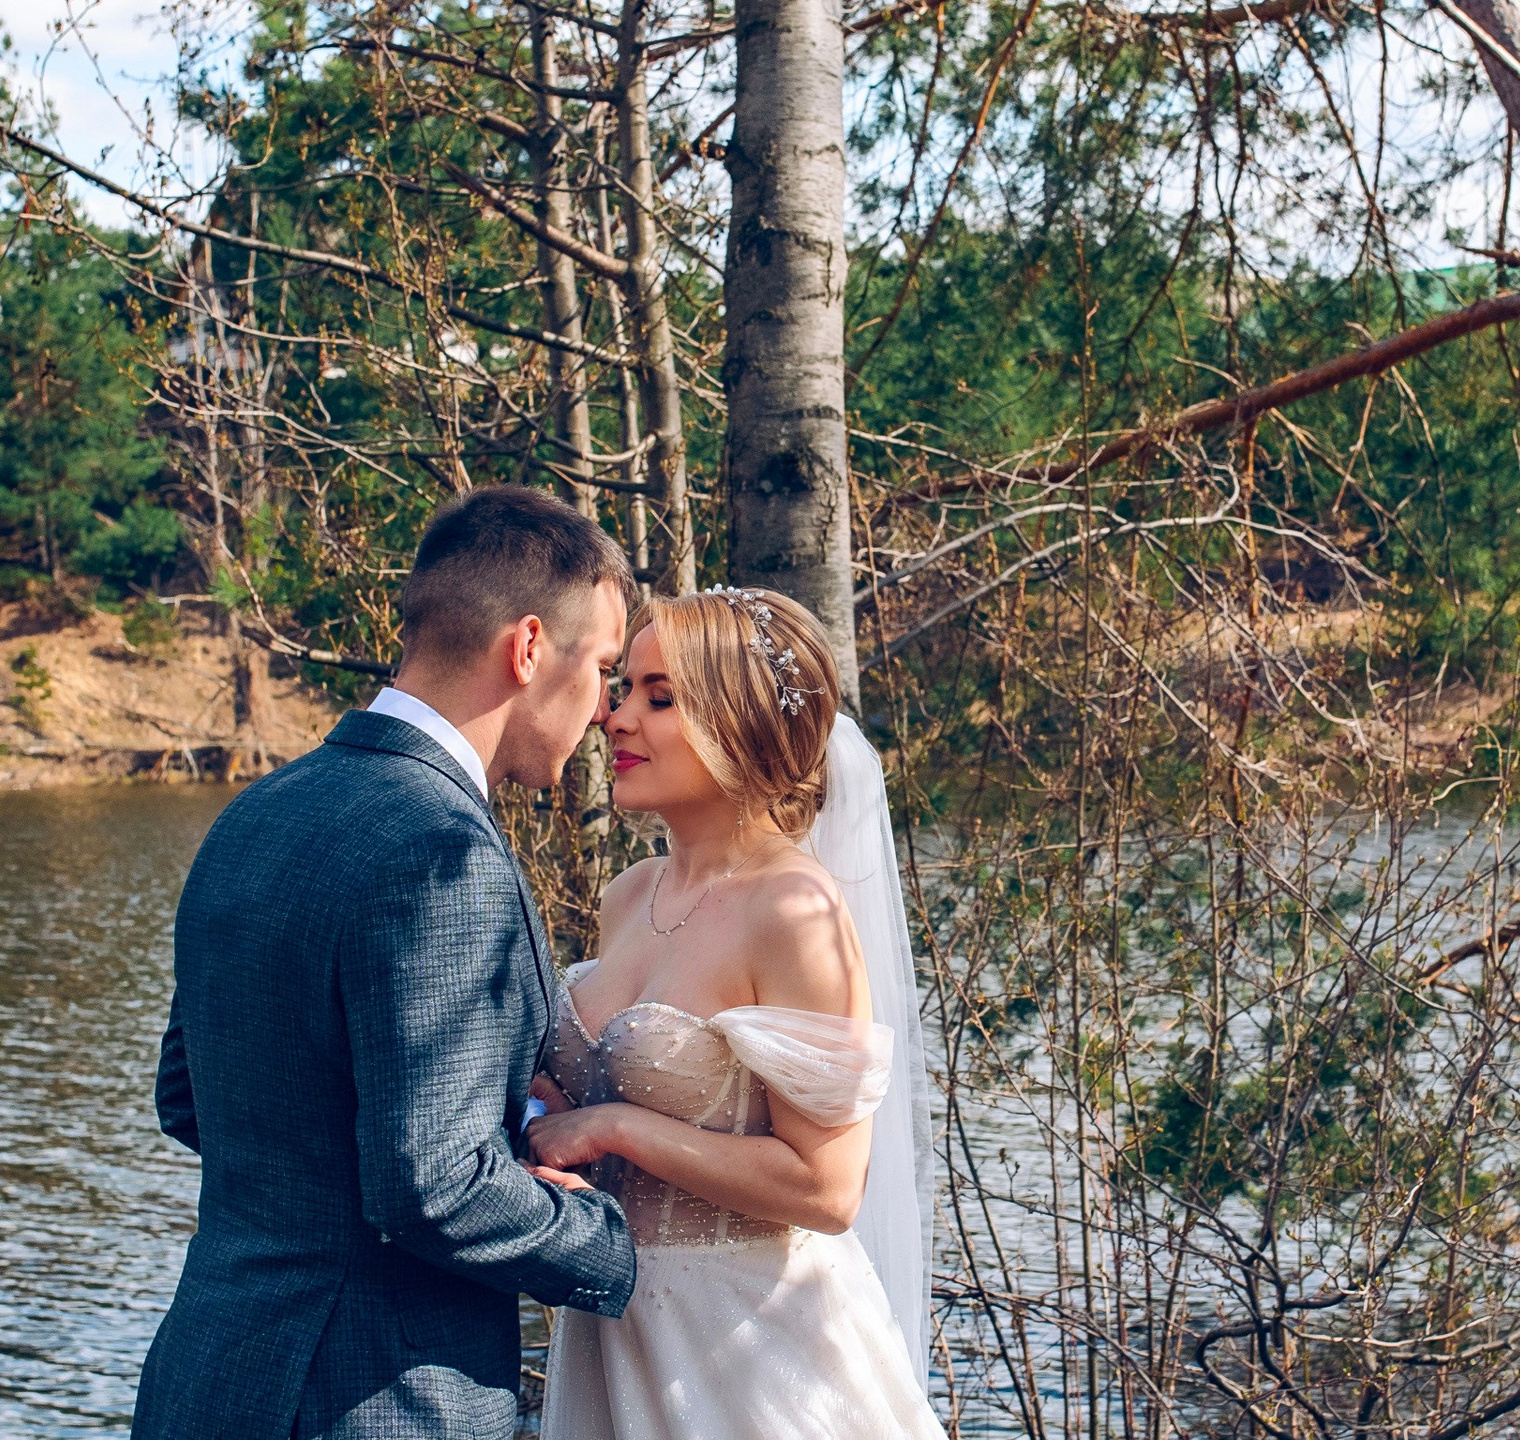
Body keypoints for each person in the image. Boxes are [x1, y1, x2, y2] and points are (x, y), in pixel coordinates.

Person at [135, 486, 641, 1440]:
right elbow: (433, 1187)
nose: (604, 708)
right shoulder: (441, 853)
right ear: (529, 650)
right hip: (369, 1401)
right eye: (604, 667)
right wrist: (609, 1241)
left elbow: (188, 1096)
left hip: (206, 1379)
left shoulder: (255, 815)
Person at [526, 586, 942, 1440]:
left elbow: (827, 1190)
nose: (616, 718)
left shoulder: (794, 911)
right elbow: (578, 1093)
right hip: (610, 1328)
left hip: (749, 1346)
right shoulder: (628, 895)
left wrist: (616, 1130)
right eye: (624, 688)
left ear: (740, 722)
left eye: (660, 697)